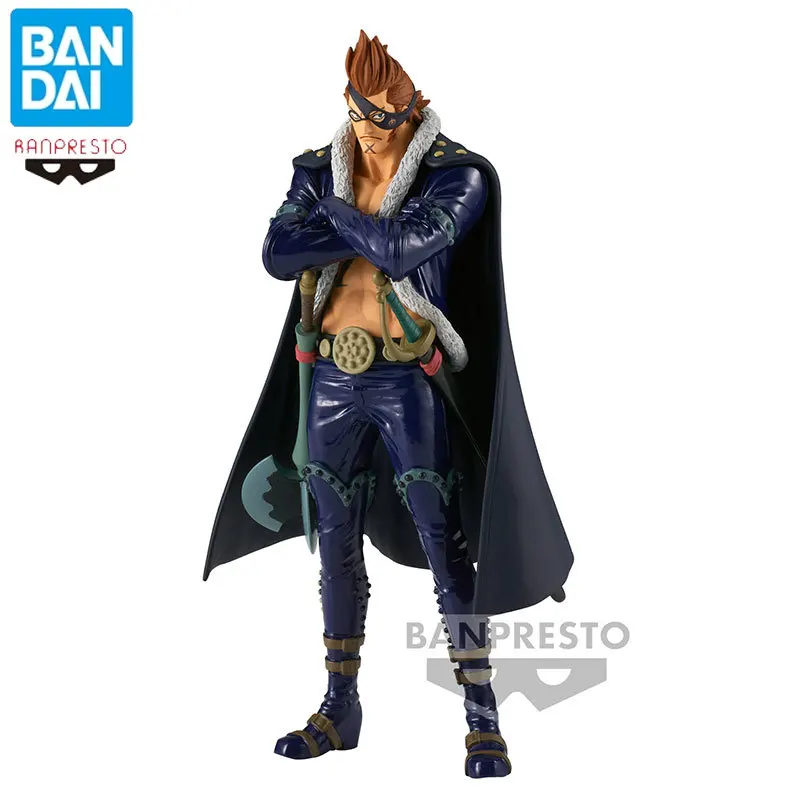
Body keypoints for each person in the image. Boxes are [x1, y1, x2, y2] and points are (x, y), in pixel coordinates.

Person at [204, 30, 574, 779]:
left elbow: (403, 251)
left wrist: (333, 219)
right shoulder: (319, 167)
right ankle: (339, 707)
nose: (371, 131)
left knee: (445, 540)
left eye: (385, 117)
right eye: (360, 114)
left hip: (409, 377)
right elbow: (276, 256)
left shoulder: (456, 175)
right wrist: (362, 227)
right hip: (330, 378)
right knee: (333, 542)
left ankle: (482, 718)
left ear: (410, 109)